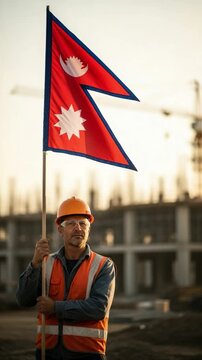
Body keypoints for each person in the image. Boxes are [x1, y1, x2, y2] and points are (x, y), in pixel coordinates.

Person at [16, 196, 116, 360]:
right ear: (60, 230)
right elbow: (23, 299)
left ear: (89, 229)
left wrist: (55, 307)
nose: (78, 228)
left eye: (83, 223)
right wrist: (34, 264)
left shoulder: (103, 265)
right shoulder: (46, 263)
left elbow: (98, 308)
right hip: (47, 353)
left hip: (88, 354)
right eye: (71, 223)